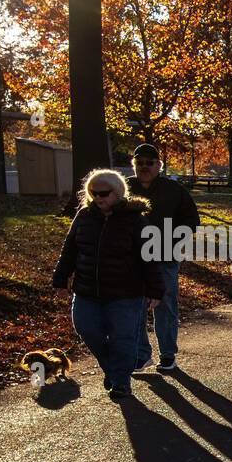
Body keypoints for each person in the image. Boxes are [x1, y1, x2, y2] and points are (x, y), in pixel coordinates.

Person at [52, 170, 163, 400]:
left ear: (118, 192)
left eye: (104, 193)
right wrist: (60, 280)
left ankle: (121, 382)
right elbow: (70, 249)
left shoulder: (136, 220)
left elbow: (150, 258)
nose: (99, 197)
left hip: (126, 294)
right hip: (86, 291)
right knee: (87, 329)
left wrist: (155, 290)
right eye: (94, 193)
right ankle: (113, 369)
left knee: (123, 339)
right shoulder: (83, 216)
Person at [128, 142, 199, 372]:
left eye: (150, 163)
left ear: (159, 165)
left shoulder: (173, 190)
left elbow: (191, 220)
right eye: (140, 163)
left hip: (165, 256)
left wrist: (174, 242)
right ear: (134, 165)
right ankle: (142, 354)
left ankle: (168, 355)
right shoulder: (125, 189)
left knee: (165, 304)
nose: (144, 167)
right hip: (132, 260)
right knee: (134, 305)